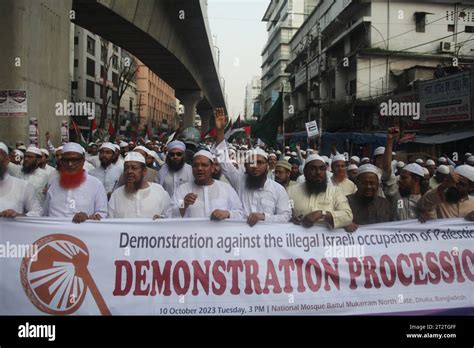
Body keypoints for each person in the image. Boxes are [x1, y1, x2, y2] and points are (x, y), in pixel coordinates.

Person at [213, 108, 291, 227]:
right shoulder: (239, 180)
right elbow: (222, 159)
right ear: (245, 166)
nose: (255, 166)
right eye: (251, 162)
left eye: (260, 162)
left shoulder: (278, 190)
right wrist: (220, 131)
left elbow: (285, 216)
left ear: (267, 165)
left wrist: (264, 217)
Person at [169, 150, 244, 220]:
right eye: (195, 165)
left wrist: (228, 214)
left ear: (212, 168)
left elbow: (240, 213)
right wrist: (184, 204)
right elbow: (169, 214)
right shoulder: (182, 190)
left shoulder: (226, 189)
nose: (199, 168)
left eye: (204, 165)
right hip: (191, 234)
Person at [44, 142, 107, 223]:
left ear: (82, 161)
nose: (70, 164)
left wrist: (88, 217)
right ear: (61, 162)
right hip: (55, 233)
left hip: (81, 234)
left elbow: (102, 213)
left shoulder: (96, 184)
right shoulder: (54, 184)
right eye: (66, 160)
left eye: (74, 160)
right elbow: (45, 213)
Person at [288, 154, 353, 230]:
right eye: (313, 169)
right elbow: (285, 214)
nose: (318, 172)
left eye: (322, 169)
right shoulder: (291, 191)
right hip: (298, 239)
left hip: (327, 240)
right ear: (305, 172)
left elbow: (348, 216)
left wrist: (322, 214)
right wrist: (291, 219)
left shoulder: (335, 192)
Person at [108, 152, 170, 219]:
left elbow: (170, 216)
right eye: (126, 168)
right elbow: (110, 221)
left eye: (134, 168)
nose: (129, 171)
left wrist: (161, 219)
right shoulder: (116, 194)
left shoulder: (159, 191)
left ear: (144, 171)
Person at [382, 128, 425, 220]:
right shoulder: (396, 194)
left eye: (404, 178)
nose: (399, 180)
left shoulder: (426, 200)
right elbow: (386, 169)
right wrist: (390, 141)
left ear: (416, 180)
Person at [345, 164, 393, 232]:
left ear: (377, 185)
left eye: (372, 183)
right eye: (364, 183)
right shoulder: (345, 203)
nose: (369, 187)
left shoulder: (385, 204)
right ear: (357, 183)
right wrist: (344, 224)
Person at [0, 142, 42, 217]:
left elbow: (37, 212)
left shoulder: (23, 186)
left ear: (6, 160)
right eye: (25, 156)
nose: (26, 159)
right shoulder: (17, 169)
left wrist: (19, 217)